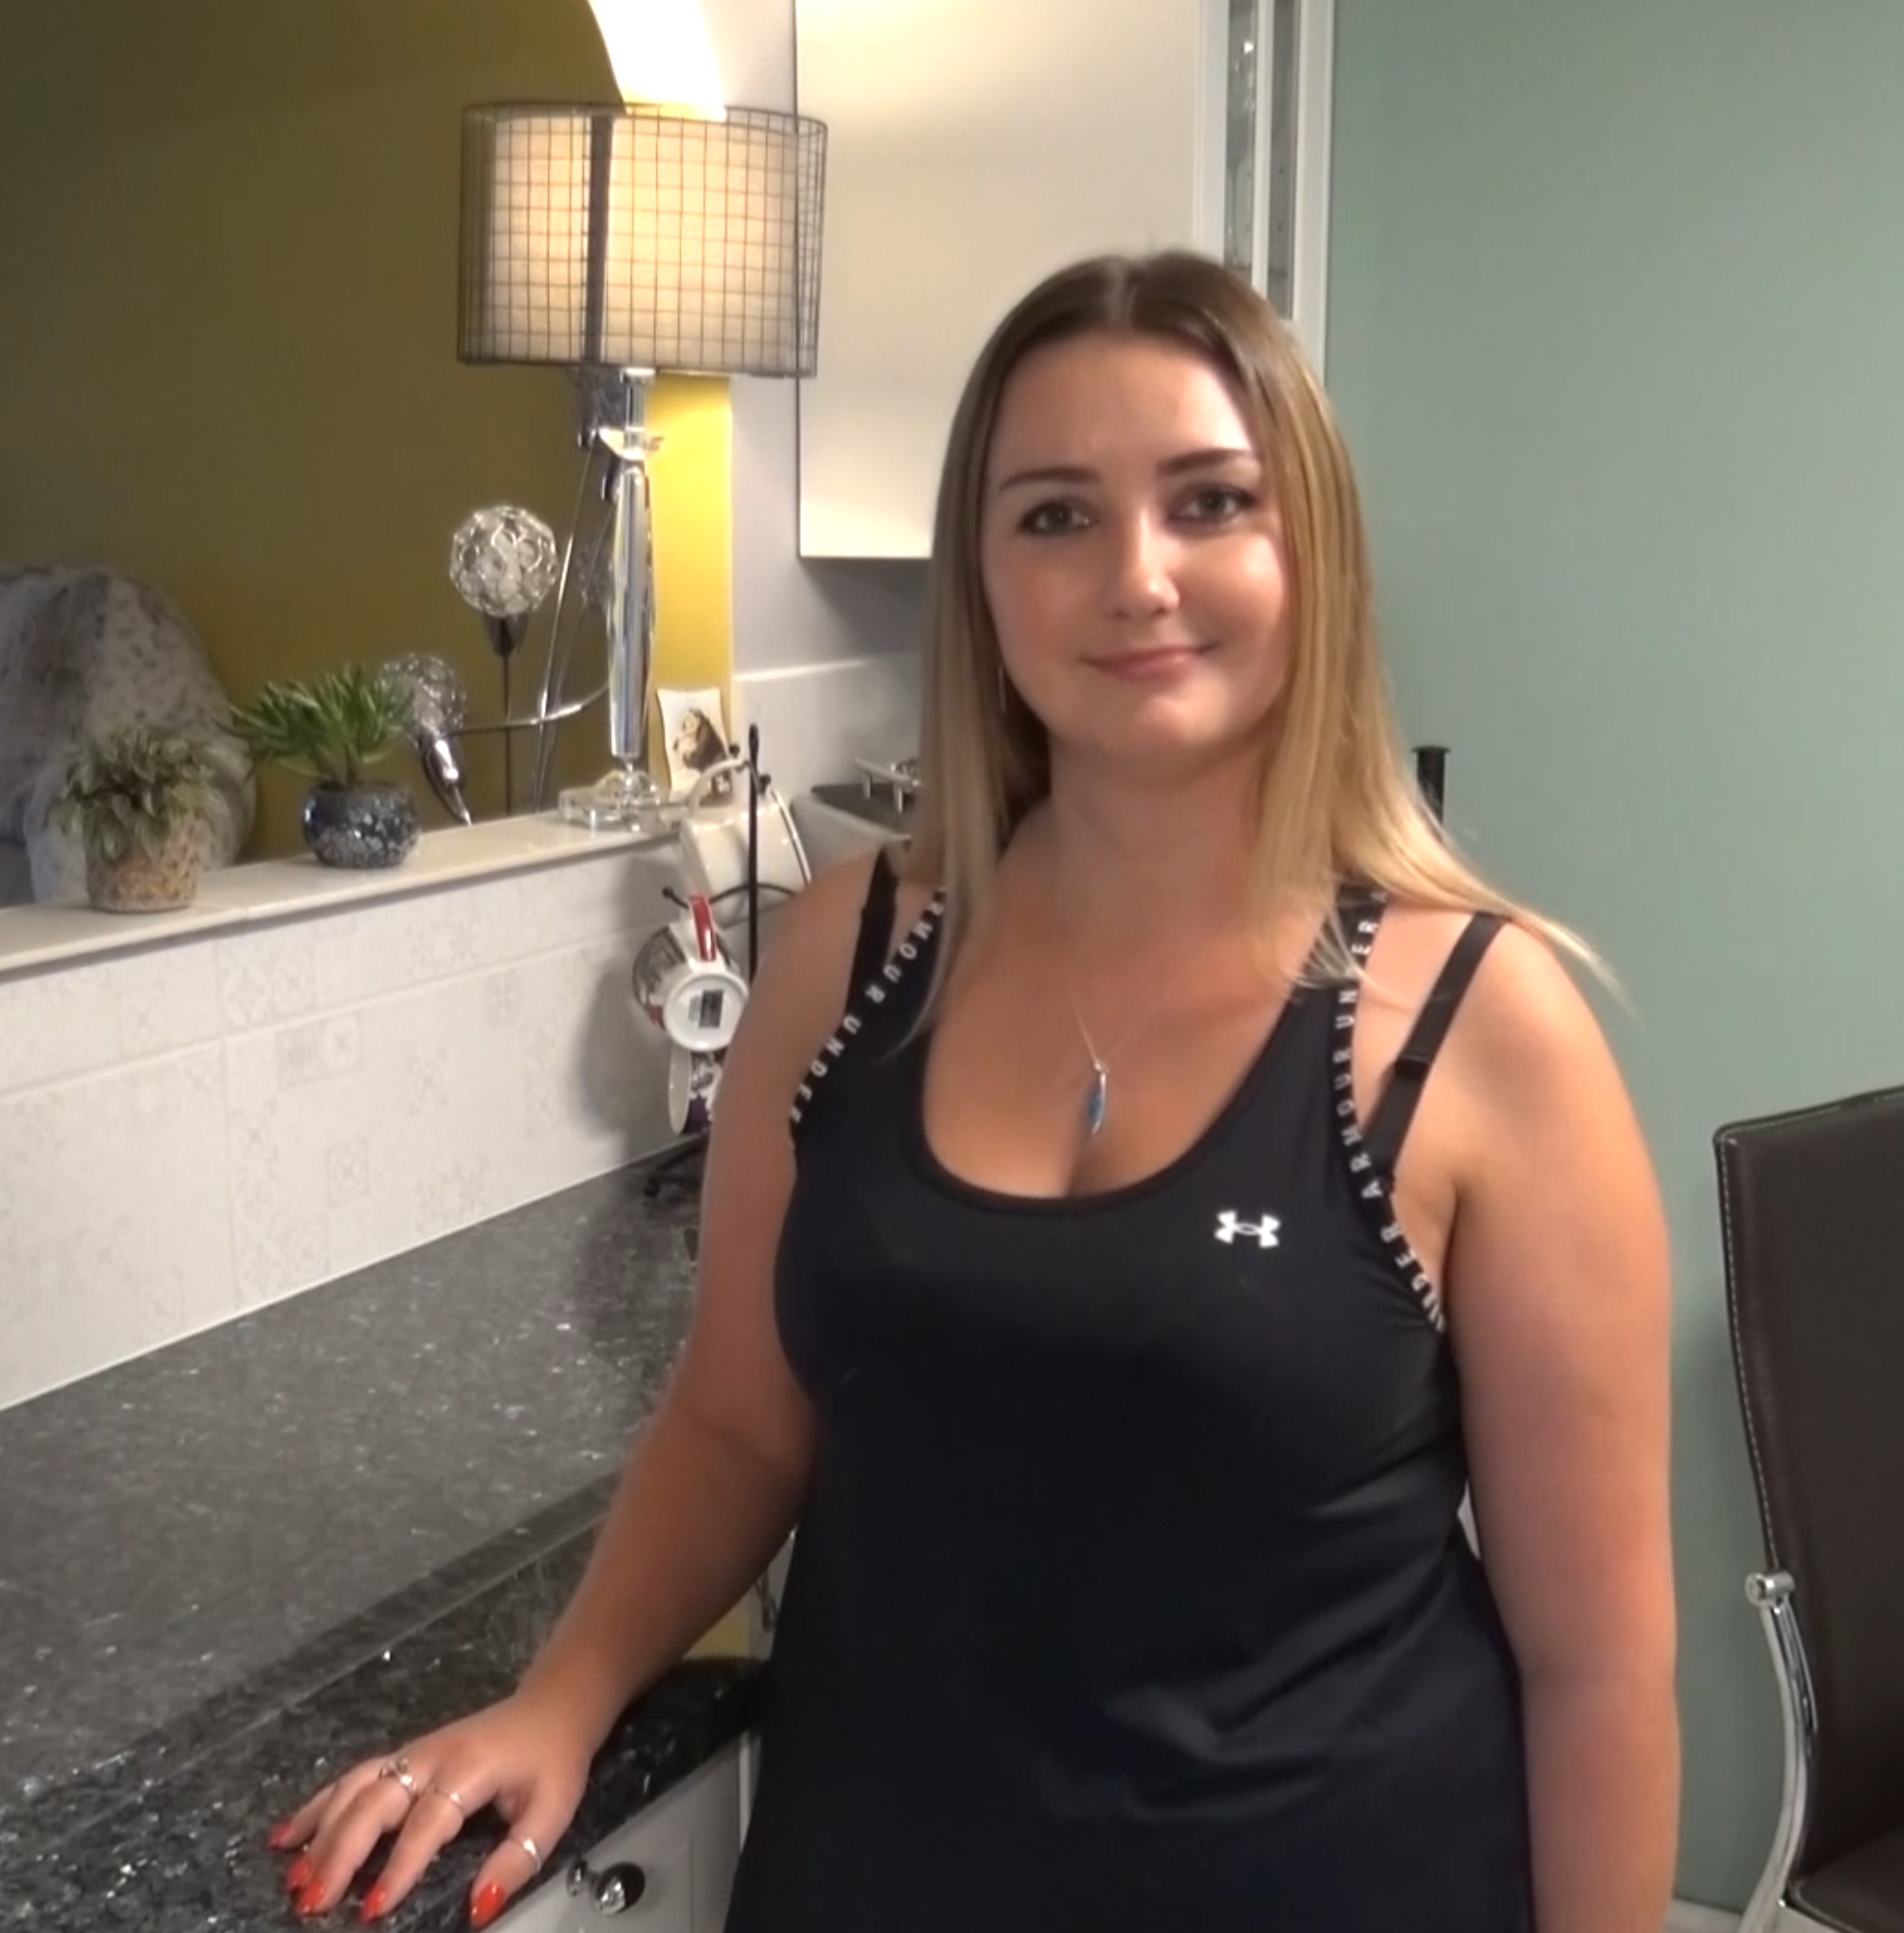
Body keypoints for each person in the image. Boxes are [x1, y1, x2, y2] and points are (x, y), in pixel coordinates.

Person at [268, 251, 1677, 1932]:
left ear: (1311, 552)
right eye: (1055, 516)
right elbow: (734, 1418)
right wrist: (560, 1694)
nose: (1135, 578)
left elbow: (1595, 1666)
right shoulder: (850, 957)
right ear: (984, 580)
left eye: (1211, 501)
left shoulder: (1474, 1020)